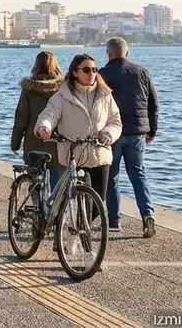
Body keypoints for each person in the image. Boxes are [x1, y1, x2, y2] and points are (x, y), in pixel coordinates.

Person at [36, 53, 122, 231]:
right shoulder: (63, 96)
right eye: (86, 70)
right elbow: (49, 114)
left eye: (94, 70)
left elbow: (115, 121)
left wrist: (108, 133)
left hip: (99, 153)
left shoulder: (105, 94)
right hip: (74, 153)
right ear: (75, 72)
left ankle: (79, 228)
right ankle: (70, 228)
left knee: (99, 201)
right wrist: (44, 127)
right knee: (70, 197)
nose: (91, 73)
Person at [99, 37, 159, 237]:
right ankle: (147, 214)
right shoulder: (142, 72)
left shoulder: (102, 74)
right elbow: (153, 104)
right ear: (127, 52)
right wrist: (152, 130)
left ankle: (115, 221)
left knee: (112, 177)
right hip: (138, 132)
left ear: (108, 53)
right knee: (138, 174)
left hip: (112, 133)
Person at [11, 52, 65, 188]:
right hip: (57, 142)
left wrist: (15, 144)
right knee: (57, 184)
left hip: (33, 141)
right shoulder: (63, 89)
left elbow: (21, 118)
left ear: (36, 66)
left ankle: (38, 205)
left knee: (35, 182)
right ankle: (54, 208)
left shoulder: (29, 88)